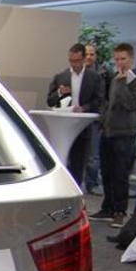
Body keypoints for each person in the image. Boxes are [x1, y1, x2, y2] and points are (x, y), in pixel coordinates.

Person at [90, 43, 136, 226]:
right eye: (116, 59)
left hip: (125, 133)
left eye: (123, 59)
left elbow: (131, 103)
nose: (120, 62)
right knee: (106, 172)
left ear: (131, 58)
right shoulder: (115, 78)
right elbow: (110, 102)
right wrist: (103, 120)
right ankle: (108, 207)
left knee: (120, 174)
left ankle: (120, 211)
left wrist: (123, 82)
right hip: (108, 131)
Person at [45, 43, 104, 186]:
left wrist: (84, 108)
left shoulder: (94, 77)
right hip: (64, 125)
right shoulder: (61, 77)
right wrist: (60, 92)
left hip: (83, 124)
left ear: (84, 59)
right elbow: (50, 101)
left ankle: (78, 186)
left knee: (81, 160)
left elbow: (99, 100)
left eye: (77, 61)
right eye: (71, 61)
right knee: (64, 158)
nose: (74, 64)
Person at [83, 43, 109, 194]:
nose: (89, 57)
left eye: (92, 54)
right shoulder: (75, 73)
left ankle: (92, 183)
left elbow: (105, 98)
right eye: (86, 54)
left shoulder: (104, 73)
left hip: (96, 118)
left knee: (93, 155)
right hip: (78, 119)